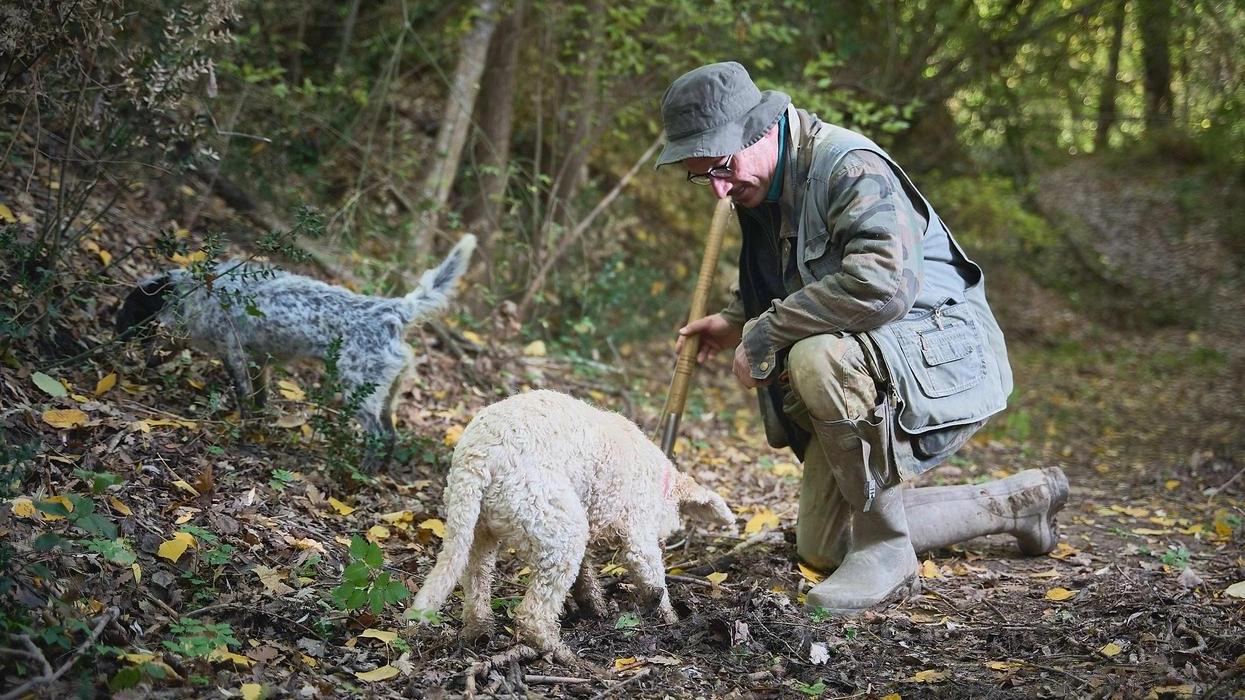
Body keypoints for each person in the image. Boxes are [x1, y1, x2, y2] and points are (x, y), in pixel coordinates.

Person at [658, 61, 1069, 614]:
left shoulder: (848, 166)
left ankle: (889, 547)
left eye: (723, 167)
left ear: (762, 127)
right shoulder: (759, 184)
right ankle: (1019, 503)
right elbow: (790, 268)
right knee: (824, 547)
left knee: (814, 355)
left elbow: (883, 287)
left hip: (941, 353)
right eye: (701, 173)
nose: (717, 190)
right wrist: (734, 319)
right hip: (879, 359)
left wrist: (767, 331)